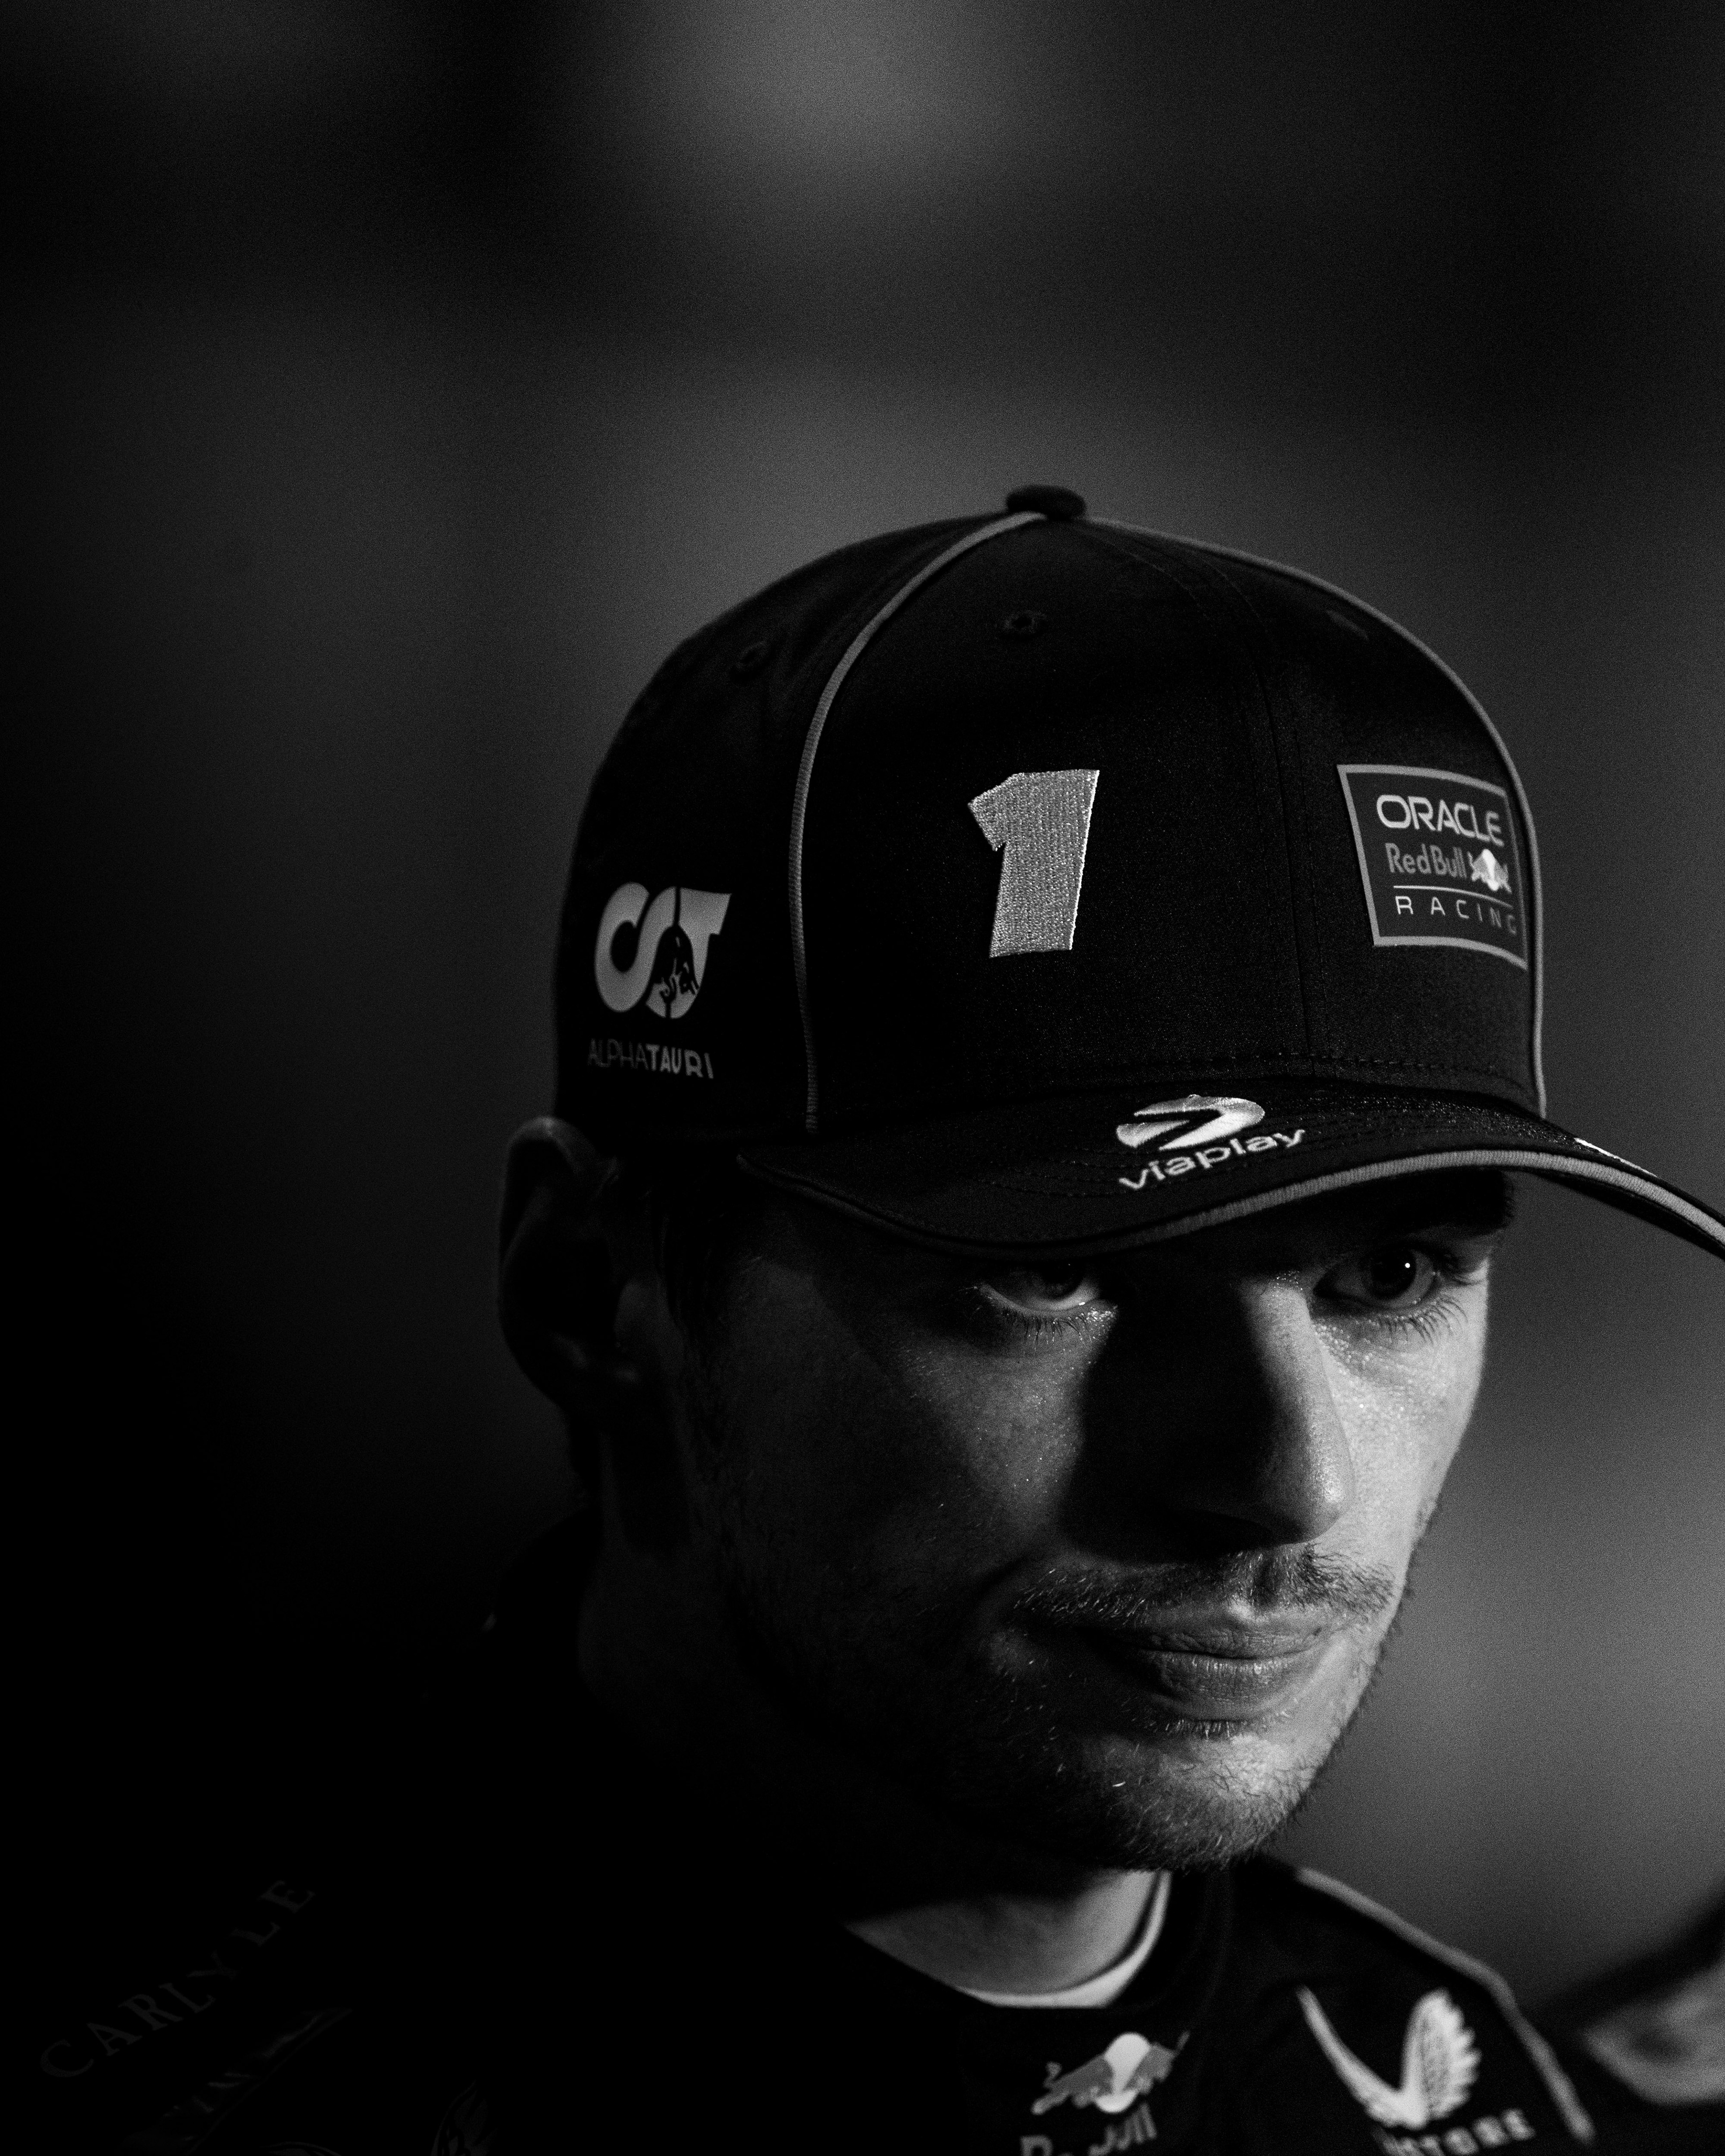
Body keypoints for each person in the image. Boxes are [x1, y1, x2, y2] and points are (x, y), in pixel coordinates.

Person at [43, 489, 1723, 2152]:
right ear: (591, 1296)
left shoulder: (1480, 2102)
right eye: (1056, 1271)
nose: (1292, 1483)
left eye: (1393, 1276)